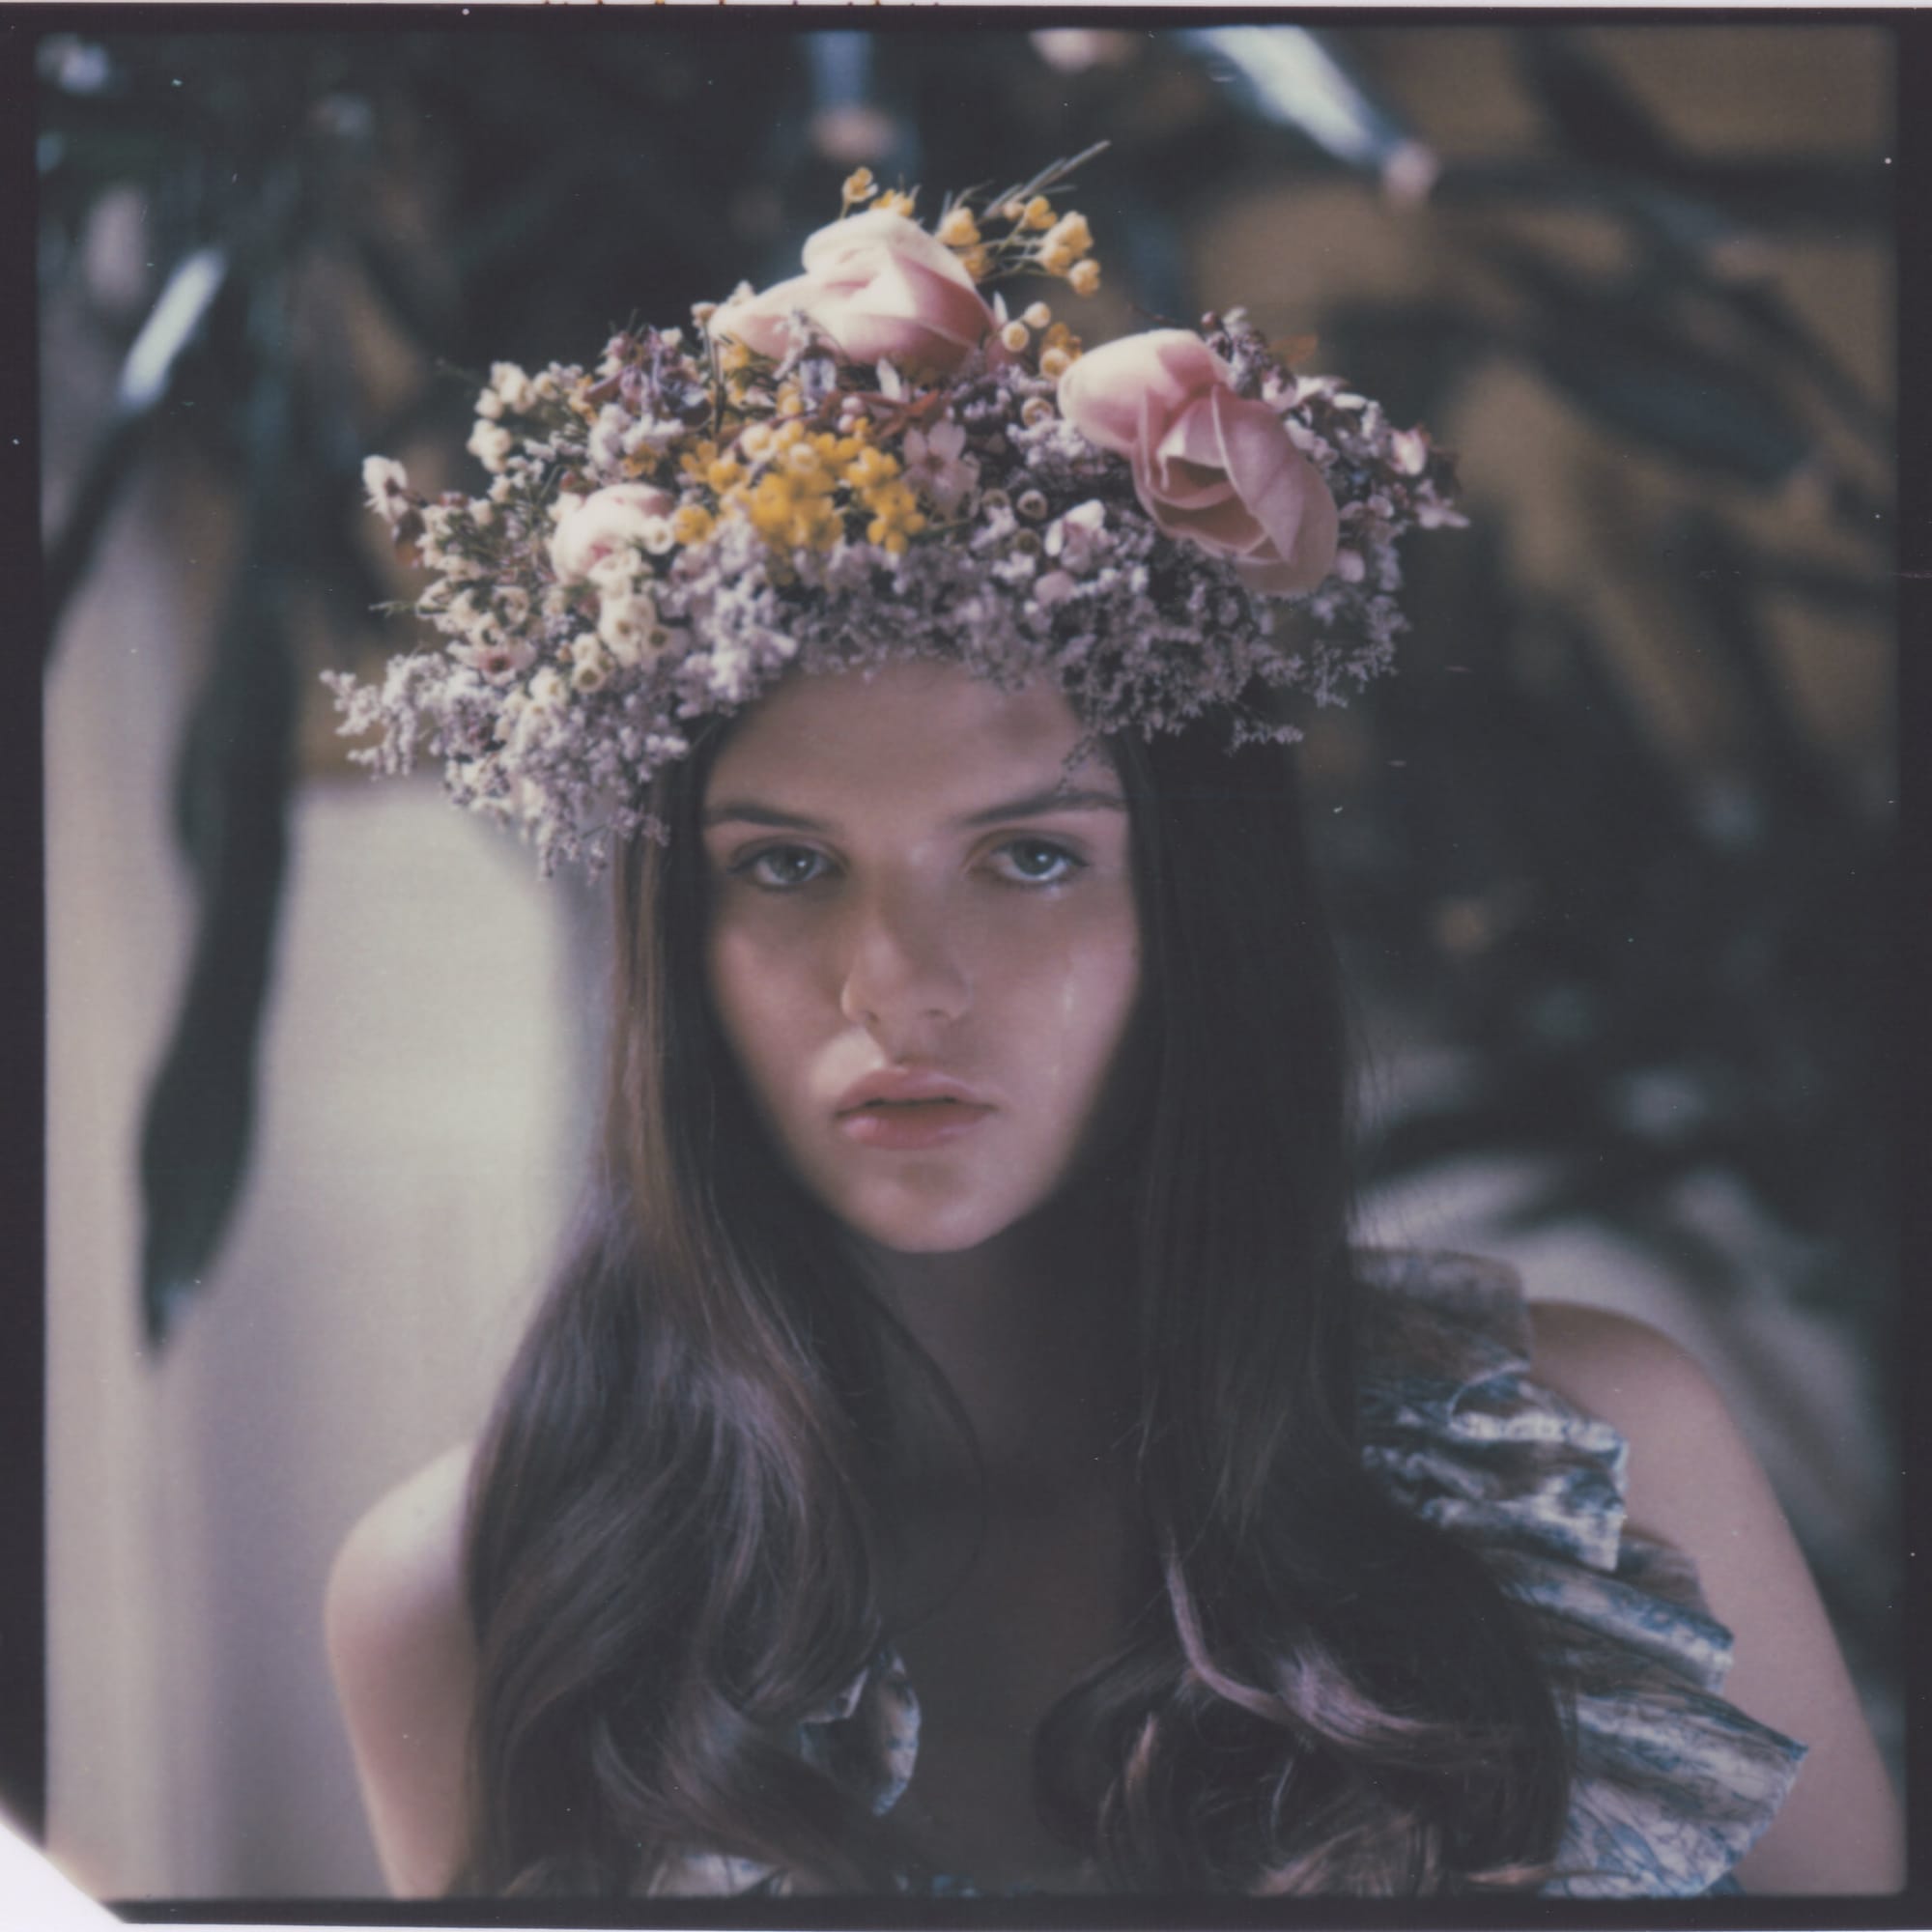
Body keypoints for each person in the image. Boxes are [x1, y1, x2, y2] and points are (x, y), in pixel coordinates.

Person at [321, 159, 1901, 1898]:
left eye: (1029, 858)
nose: (897, 984)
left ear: (1194, 914)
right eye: (785, 865)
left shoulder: (1598, 1471)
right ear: (669, 941)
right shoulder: (472, 1598)